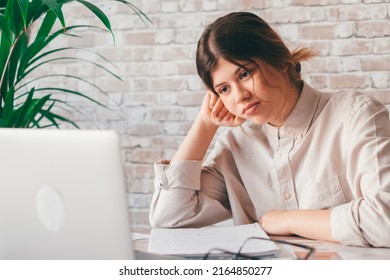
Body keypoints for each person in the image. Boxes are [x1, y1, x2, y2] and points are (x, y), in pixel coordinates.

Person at [149, 11, 390, 247]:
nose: (240, 96)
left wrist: (288, 221)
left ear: (278, 60)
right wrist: (205, 123)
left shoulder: (356, 116)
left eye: (244, 73)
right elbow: (169, 218)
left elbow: (385, 221)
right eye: (224, 89)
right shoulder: (235, 147)